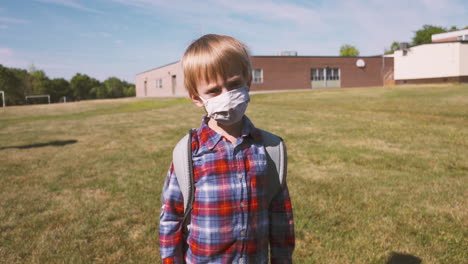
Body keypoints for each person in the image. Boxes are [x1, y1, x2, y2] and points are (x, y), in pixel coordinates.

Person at [159, 34, 295, 264]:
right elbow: (171, 215)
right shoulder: (189, 153)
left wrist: (282, 258)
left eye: (233, 85)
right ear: (196, 98)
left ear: (248, 81)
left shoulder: (268, 148)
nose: (227, 96)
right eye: (213, 91)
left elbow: (280, 212)